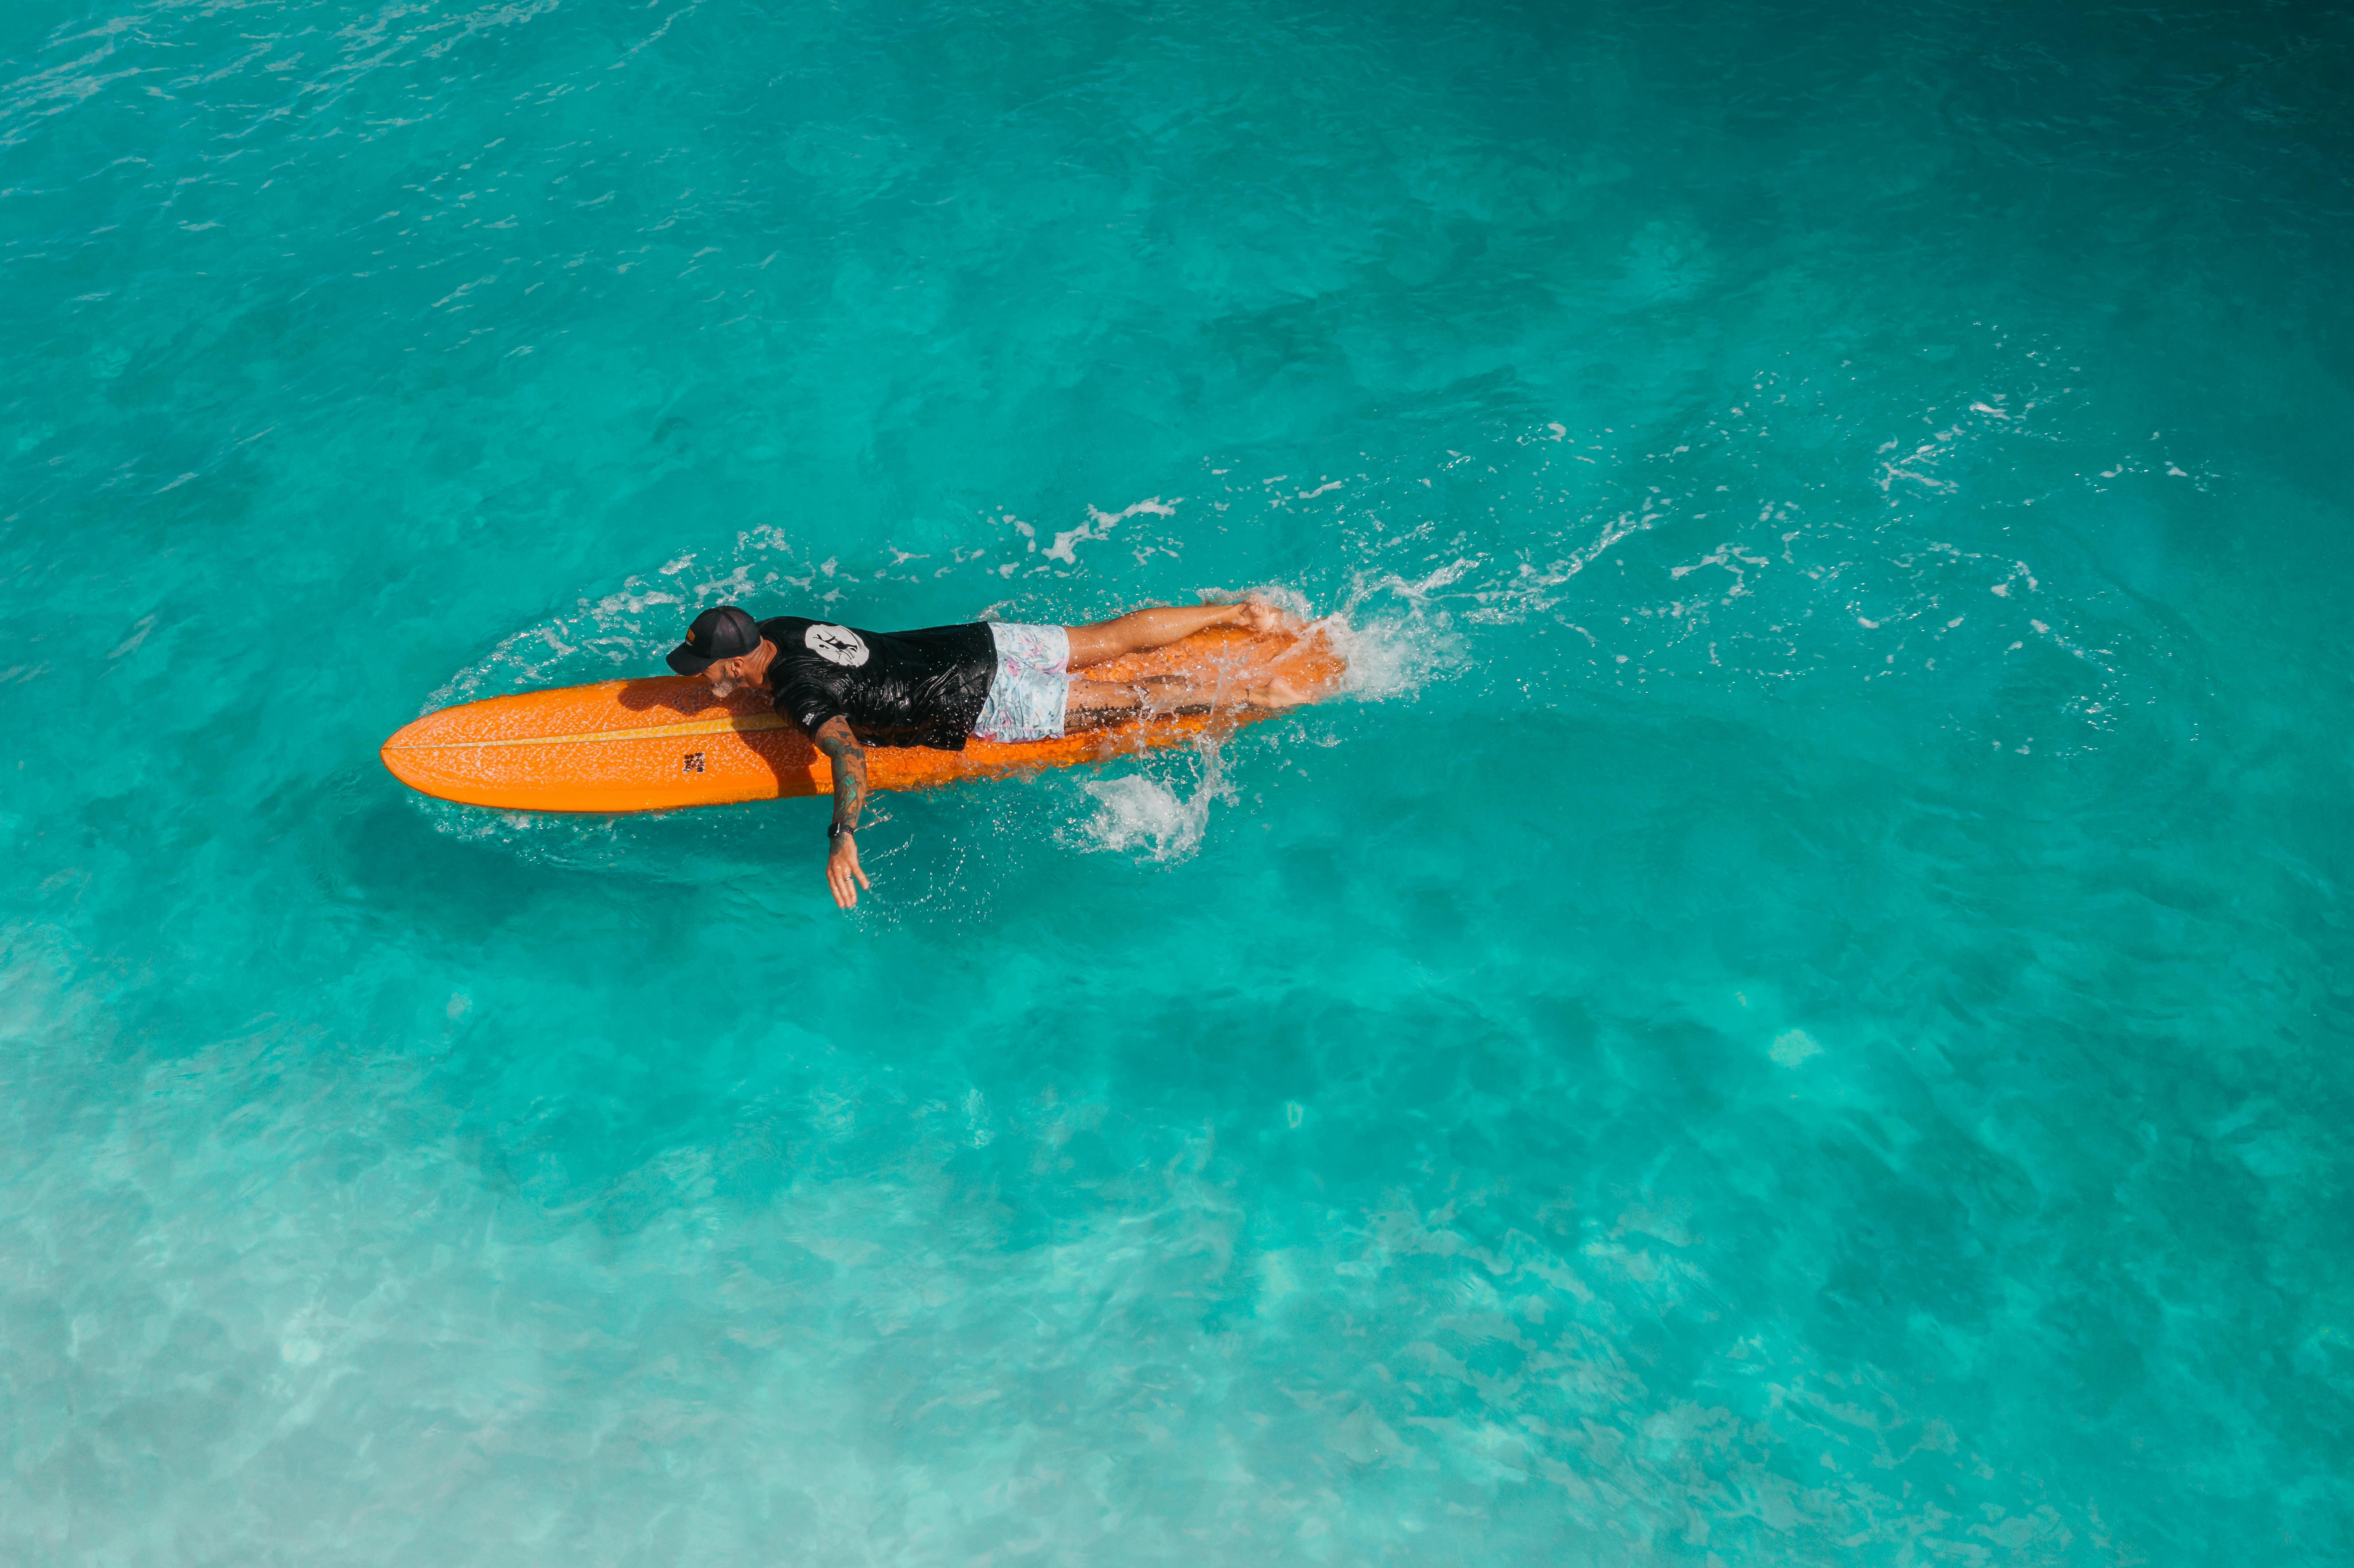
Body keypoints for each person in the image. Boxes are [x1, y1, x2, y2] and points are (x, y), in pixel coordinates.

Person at [662, 599, 1312, 908]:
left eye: (706, 667)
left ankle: (1254, 690)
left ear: (743, 658)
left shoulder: (798, 692)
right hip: (978, 645)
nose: (698, 676)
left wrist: (843, 833)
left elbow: (847, 753)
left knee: (1117, 701)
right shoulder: (778, 626)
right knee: (1108, 639)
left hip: (980, 701)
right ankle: (1241, 613)